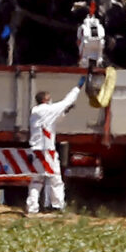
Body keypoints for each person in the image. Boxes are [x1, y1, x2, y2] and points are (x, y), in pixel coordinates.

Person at [27, 77, 85, 214]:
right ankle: (57, 205)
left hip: (35, 150)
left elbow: (52, 121)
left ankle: (32, 208)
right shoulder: (49, 110)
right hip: (48, 151)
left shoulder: (35, 112)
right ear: (46, 100)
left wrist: (64, 112)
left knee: (36, 180)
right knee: (55, 179)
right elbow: (68, 101)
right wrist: (78, 87)